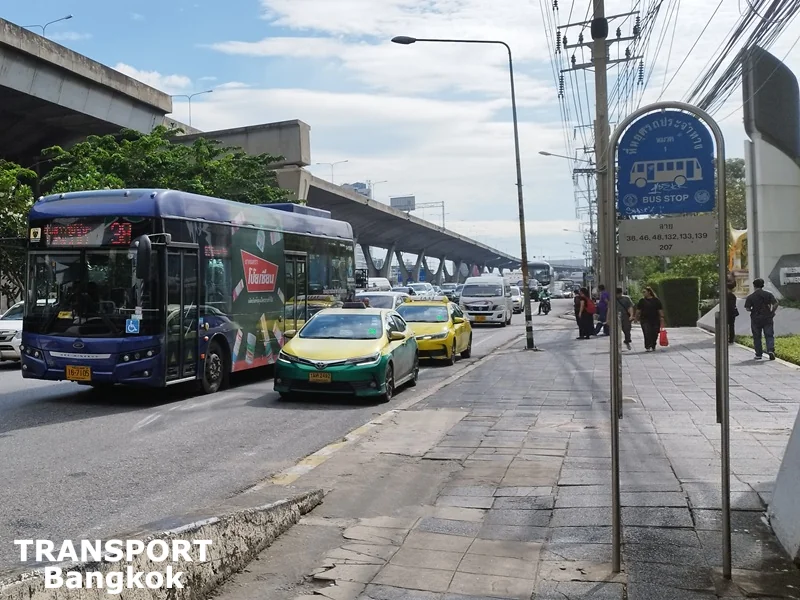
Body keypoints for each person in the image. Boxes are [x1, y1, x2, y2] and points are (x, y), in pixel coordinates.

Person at [745, 278, 778, 360]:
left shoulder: (751, 297)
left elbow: (747, 308)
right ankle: (770, 350)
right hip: (767, 317)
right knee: (769, 334)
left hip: (755, 318)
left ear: (754, 286)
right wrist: (772, 312)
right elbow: (776, 303)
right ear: (762, 285)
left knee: (757, 336)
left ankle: (759, 354)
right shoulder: (768, 294)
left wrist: (753, 310)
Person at [635, 286, 665, 352]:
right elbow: (638, 310)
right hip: (644, 319)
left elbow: (660, 309)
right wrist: (636, 318)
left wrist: (662, 317)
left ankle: (653, 344)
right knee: (647, 332)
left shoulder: (656, 301)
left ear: (649, 292)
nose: (643, 293)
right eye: (643, 292)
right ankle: (648, 346)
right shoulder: (642, 301)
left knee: (655, 333)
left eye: (644, 292)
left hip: (655, 319)